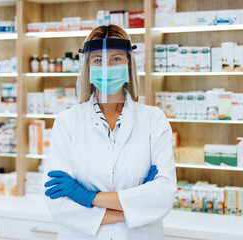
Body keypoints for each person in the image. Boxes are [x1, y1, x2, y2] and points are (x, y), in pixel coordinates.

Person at [42, 24, 176, 239]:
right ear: (88, 66)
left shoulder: (154, 120)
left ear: (128, 64)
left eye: (116, 59)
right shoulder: (67, 122)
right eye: (98, 60)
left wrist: (87, 197)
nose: (107, 67)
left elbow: (164, 197)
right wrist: (138, 206)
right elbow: (58, 204)